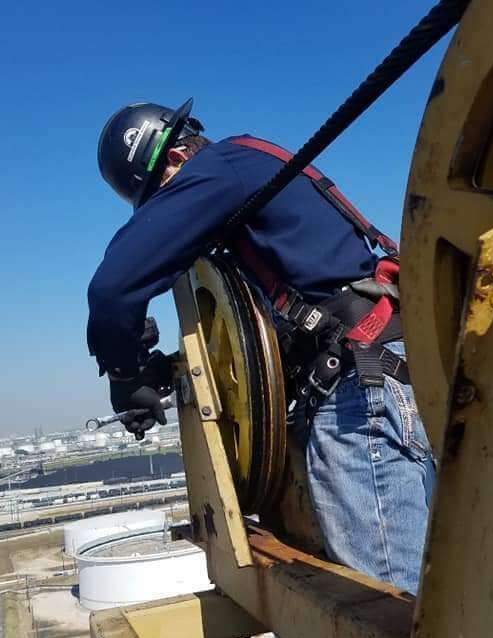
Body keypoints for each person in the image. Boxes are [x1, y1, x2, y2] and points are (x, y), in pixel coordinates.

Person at [87, 98, 435, 594]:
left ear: (177, 161)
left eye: (164, 198)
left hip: (361, 398)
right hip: (386, 376)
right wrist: (163, 373)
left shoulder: (217, 171)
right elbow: (257, 346)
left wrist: (125, 377)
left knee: (391, 610)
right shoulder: (251, 169)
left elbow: (113, 289)